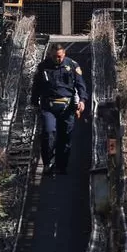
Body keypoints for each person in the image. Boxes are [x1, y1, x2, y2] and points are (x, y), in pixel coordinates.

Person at [32, 44, 88, 176]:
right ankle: (48, 165)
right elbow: (36, 86)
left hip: (67, 107)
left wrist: (82, 100)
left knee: (65, 137)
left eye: (59, 56)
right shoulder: (43, 66)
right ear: (50, 55)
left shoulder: (72, 66)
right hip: (49, 106)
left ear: (64, 54)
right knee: (49, 133)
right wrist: (34, 102)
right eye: (54, 57)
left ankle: (62, 166)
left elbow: (81, 85)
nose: (57, 59)